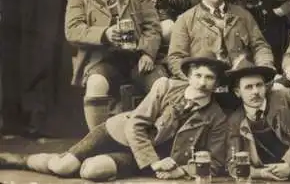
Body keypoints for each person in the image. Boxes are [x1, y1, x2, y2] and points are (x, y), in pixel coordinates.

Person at [0, 57, 229, 181]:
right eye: (197, 75)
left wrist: (181, 170)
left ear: (217, 84)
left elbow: (217, 161)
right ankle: (19, 160)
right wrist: (151, 162)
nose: (201, 82)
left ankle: (95, 162)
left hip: (143, 156)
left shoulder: (216, 116)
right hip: (118, 132)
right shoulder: (166, 86)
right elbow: (136, 124)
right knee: (64, 166)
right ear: (188, 76)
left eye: (209, 78)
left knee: (92, 172)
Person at [65, 0, 164, 129]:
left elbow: (153, 25)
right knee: (95, 83)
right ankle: (98, 140)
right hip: (102, 60)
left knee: (161, 84)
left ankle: (153, 140)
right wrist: (105, 34)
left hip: (137, 58)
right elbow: (73, 30)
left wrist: (148, 53)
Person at [167, 0, 275, 80]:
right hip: (203, 84)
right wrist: (194, 79)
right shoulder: (185, 19)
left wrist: (264, 68)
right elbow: (176, 58)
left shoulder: (243, 15)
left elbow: (260, 47)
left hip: (239, 82)